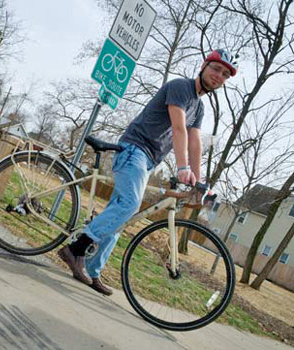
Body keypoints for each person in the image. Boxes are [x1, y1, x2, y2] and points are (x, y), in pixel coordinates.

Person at [58, 49, 239, 295]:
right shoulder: (180, 87)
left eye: (225, 74)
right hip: (135, 150)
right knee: (130, 205)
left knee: (119, 219)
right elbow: (178, 128)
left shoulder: (199, 107)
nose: (219, 75)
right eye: (216, 68)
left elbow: (194, 142)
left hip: (148, 161)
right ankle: (76, 249)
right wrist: (183, 168)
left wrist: (198, 180)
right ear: (204, 65)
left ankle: (91, 271)